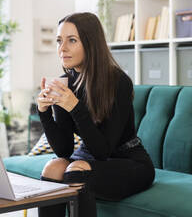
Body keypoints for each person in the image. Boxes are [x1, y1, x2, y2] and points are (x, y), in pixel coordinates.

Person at [37, 12, 155, 217]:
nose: (62, 48)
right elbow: (63, 150)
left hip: (128, 160)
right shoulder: (67, 82)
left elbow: (103, 151)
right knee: (53, 167)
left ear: (90, 44)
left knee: (77, 170)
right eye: (59, 41)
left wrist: (74, 106)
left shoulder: (118, 82)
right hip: (87, 157)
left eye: (71, 40)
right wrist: (44, 112)